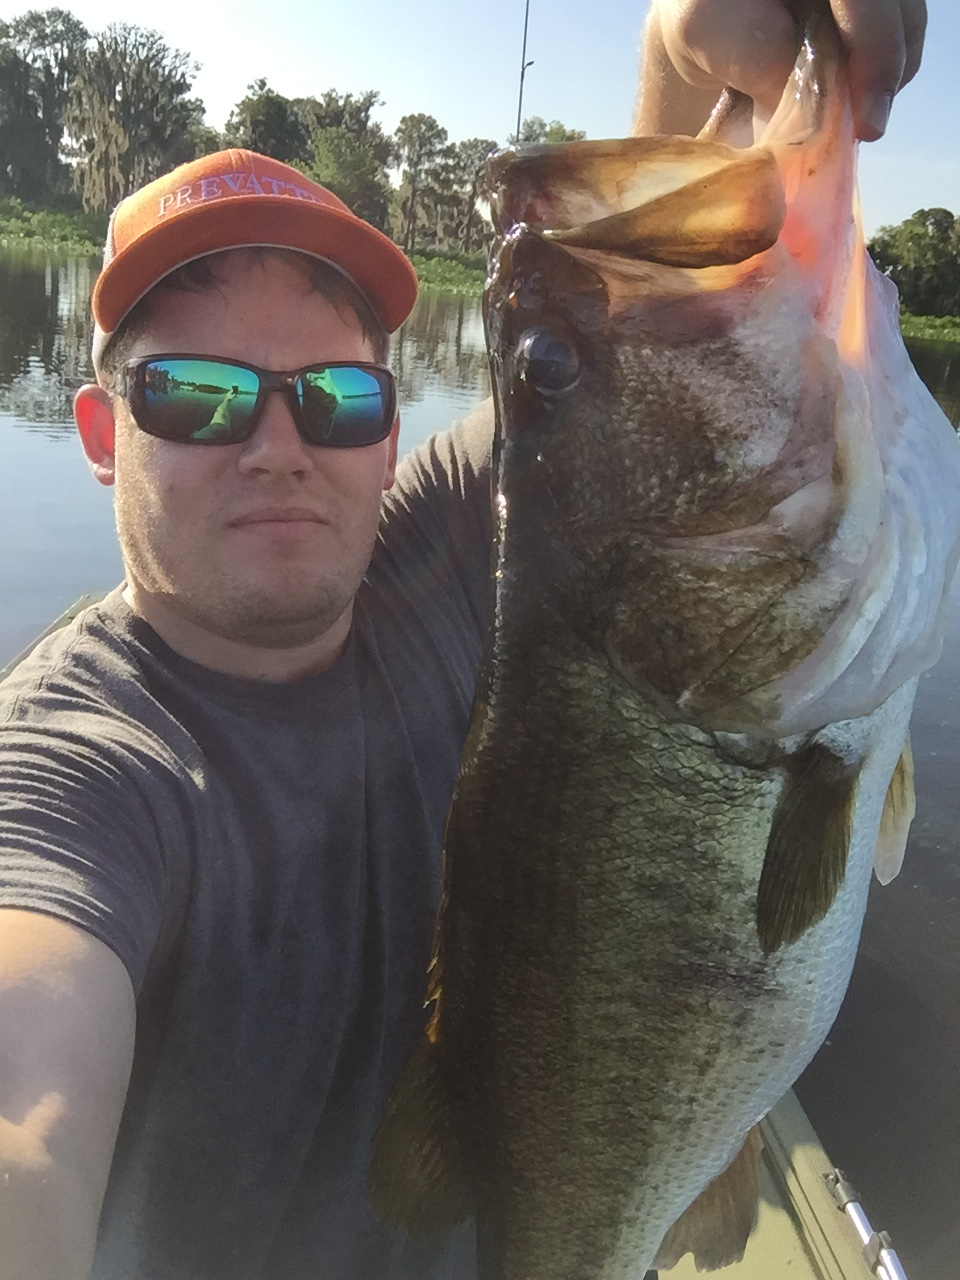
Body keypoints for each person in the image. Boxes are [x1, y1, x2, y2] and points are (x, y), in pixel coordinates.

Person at [0, 2, 928, 1277]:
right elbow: (25, 1111)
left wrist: (678, 47)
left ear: (389, 434)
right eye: (194, 394)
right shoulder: (71, 768)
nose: (278, 445)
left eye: (336, 395)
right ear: (103, 433)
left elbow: (603, 362)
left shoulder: (435, 556)